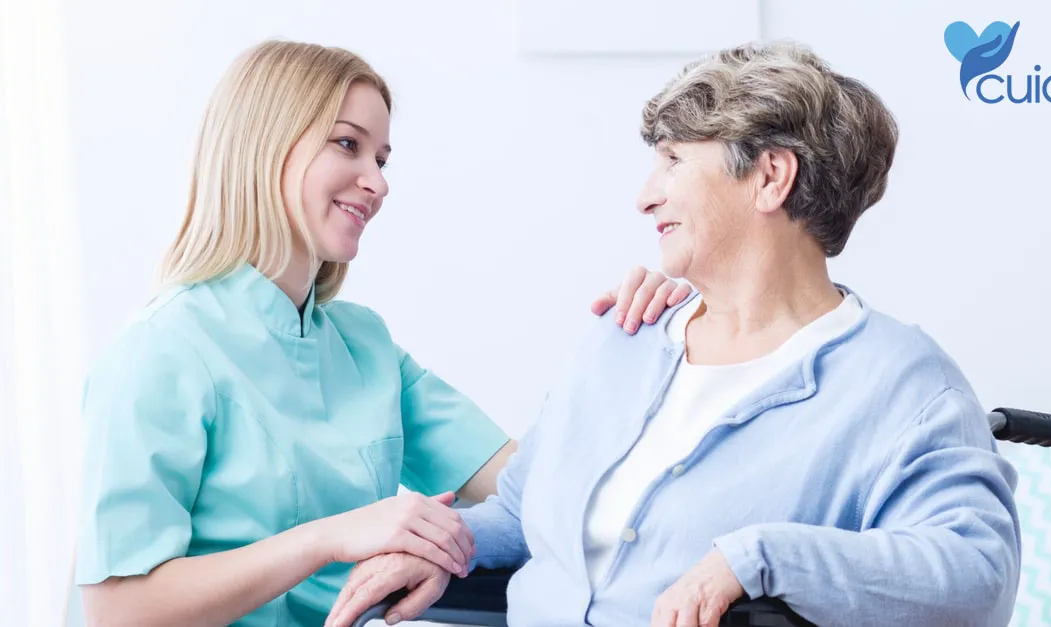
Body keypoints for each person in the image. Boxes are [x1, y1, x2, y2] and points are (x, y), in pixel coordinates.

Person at [327, 41, 1022, 627]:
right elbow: (523, 510)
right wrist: (443, 544)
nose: (645, 194)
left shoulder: (903, 385)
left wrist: (759, 556)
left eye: (673, 161)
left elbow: (976, 571)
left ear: (771, 177)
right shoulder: (624, 338)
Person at [73, 40, 690, 627]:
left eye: (382, 158)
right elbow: (117, 609)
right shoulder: (160, 352)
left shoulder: (365, 347)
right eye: (348, 144)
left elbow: (541, 490)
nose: (378, 180)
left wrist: (639, 343)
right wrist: (328, 537)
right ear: (264, 148)